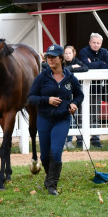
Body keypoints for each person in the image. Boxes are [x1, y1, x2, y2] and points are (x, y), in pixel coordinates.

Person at [28, 44, 84, 196]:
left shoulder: (70, 78)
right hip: (44, 119)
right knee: (45, 156)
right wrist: (47, 100)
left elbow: (80, 95)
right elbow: (31, 98)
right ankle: (48, 178)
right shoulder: (42, 77)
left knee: (56, 151)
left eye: (53, 57)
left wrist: (74, 103)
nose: (50, 59)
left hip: (62, 119)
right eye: (48, 57)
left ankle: (52, 185)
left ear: (61, 58)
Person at [78, 33, 108, 148]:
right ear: (89, 42)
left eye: (98, 43)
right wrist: (100, 63)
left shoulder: (104, 52)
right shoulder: (83, 51)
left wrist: (93, 64)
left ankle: (95, 138)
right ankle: (80, 138)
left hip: (97, 88)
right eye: (94, 42)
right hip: (83, 88)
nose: (96, 45)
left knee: (95, 114)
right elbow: (86, 66)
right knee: (82, 114)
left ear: (101, 44)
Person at [62, 45, 87, 149]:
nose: (68, 55)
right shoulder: (61, 62)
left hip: (76, 93)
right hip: (64, 93)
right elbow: (62, 70)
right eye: (66, 53)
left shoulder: (78, 61)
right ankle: (67, 140)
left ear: (73, 54)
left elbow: (85, 68)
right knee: (65, 116)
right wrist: (72, 68)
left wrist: (70, 70)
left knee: (78, 116)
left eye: (70, 53)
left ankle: (79, 140)